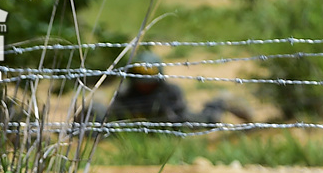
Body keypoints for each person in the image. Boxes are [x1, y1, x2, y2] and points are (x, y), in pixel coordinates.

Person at [85, 53, 251, 125]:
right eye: (140, 79)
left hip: (173, 125)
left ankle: (222, 102)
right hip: (132, 132)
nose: (144, 84)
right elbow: (114, 116)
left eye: (149, 80)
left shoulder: (169, 93)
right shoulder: (125, 95)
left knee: (206, 120)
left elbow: (179, 115)